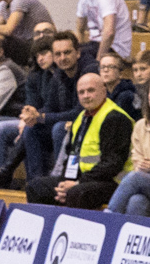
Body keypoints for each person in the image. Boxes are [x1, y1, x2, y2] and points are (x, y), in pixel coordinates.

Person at [26, 73, 134, 210]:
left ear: (103, 90)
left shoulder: (115, 118)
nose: (86, 96)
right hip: (85, 179)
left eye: (91, 90)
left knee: (78, 193)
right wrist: (66, 183)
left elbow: (112, 164)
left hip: (112, 182)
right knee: (36, 187)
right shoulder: (81, 118)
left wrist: (77, 183)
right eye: (81, 92)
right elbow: (73, 155)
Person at [0, 36, 57, 187]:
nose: (40, 59)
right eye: (37, 56)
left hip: (41, 119)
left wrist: (30, 118)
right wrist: (26, 118)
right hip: (28, 118)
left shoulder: (6, 69)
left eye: (44, 54)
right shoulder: (35, 75)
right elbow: (30, 103)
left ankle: (1, 177)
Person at [19, 31, 85, 184]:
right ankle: (35, 183)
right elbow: (50, 106)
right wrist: (33, 116)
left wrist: (41, 117)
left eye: (67, 52)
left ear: (78, 53)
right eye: (59, 54)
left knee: (59, 128)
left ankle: (57, 181)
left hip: (82, 125)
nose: (63, 58)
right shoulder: (58, 75)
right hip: (63, 121)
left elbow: (79, 112)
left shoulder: (86, 72)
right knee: (31, 128)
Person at [107, 71, 150, 215]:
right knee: (136, 201)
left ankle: (108, 219)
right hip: (146, 179)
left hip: (141, 179)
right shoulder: (140, 126)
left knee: (134, 178)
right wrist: (142, 165)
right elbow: (136, 157)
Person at [98, 52, 140, 118]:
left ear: (120, 73)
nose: (106, 70)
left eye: (111, 67)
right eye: (102, 67)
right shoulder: (100, 93)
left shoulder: (127, 95)